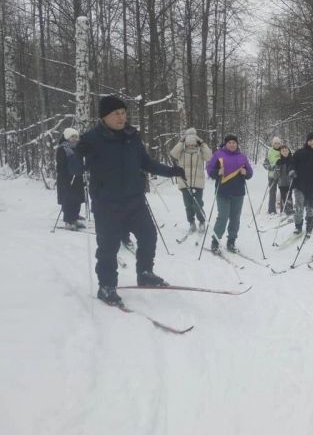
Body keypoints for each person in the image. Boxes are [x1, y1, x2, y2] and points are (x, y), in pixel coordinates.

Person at [77, 95, 186, 305]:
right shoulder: (92, 139)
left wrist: (171, 171)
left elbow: (145, 162)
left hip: (134, 201)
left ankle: (145, 272)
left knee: (148, 236)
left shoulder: (131, 135)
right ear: (104, 117)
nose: (121, 117)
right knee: (108, 248)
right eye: (116, 113)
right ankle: (107, 286)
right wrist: (76, 153)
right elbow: (77, 168)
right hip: (107, 204)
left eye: (123, 112)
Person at [206, 134, 253, 253]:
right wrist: (217, 172)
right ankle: (215, 242)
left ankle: (231, 241)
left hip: (238, 192)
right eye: (229, 143)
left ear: (237, 144)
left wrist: (245, 172)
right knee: (223, 217)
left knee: (235, 218)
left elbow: (250, 173)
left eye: (234, 143)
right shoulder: (218, 154)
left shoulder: (242, 156)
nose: (232, 145)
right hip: (223, 192)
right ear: (225, 144)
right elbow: (210, 170)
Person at [169, 128, 212, 232]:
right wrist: (181, 141)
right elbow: (173, 154)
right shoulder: (181, 151)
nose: (191, 145)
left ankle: (201, 222)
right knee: (188, 205)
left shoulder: (200, 151)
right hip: (185, 182)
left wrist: (202, 143)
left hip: (198, 183)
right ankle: (191, 222)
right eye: (189, 142)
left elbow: (209, 156)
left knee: (198, 204)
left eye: (193, 142)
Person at [289, 132, 313, 236]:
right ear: (307, 141)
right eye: (310, 140)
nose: (311, 143)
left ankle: (310, 225)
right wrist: (292, 170)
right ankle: (298, 226)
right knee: (299, 205)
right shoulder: (299, 152)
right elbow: (292, 163)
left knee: (310, 207)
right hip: (299, 183)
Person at [56, 127, 86, 230]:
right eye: (72, 137)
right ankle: (68, 221)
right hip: (66, 179)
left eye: (76, 137)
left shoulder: (78, 148)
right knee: (68, 200)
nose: (75, 139)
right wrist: (68, 174)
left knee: (77, 200)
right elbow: (60, 165)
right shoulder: (62, 148)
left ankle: (75, 218)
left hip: (77, 178)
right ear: (67, 137)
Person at [263, 136, 283, 214]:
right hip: (272, 175)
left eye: (278, 143)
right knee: (272, 192)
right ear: (272, 144)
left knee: (283, 191)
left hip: (282, 175)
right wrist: (270, 167)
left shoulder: (283, 150)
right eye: (275, 143)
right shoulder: (269, 151)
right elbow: (265, 163)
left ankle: (283, 207)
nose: (277, 145)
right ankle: (271, 209)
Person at [276, 144, 294, 215]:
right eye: (283, 151)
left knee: (289, 195)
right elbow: (276, 172)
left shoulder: (292, 160)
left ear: (288, 151)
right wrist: (276, 173)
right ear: (280, 152)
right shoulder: (279, 161)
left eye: (286, 150)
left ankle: (290, 210)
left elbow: (295, 168)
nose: (284, 152)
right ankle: (284, 210)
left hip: (290, 181)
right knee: (283, 196)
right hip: (282, 182)